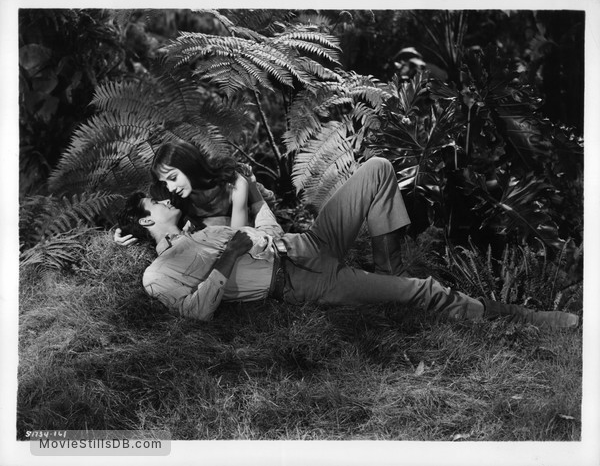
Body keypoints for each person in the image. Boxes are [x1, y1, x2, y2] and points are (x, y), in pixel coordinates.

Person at [117, 157, 579, 329]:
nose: (164, 196)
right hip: (302, 284)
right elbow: (196, 312)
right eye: (154, 199)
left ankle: (387, 270)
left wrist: (259, 224)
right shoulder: (158, 273)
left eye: (167, 186)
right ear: (144, 218)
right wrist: (231, 257)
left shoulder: (200, 222)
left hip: (307, 243)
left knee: (377, 167)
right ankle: (527, 317)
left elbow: (255, 216)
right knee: (425, 292)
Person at [115, 141, 268, 245]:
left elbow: (237, 238)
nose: (170, 188)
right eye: (165, 182)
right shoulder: (167, 194)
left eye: (173, 178)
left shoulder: (233, 184)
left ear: (188, 166)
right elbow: (143, 216)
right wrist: (120, 232)